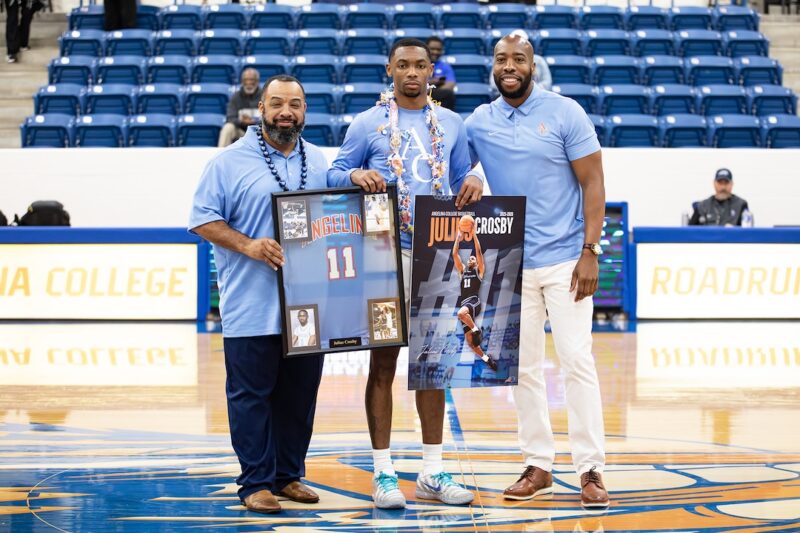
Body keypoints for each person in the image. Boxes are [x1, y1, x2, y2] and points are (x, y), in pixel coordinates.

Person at [327, 38, 483, 510]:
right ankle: (383, 472)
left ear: (432, 72)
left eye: (421, 65)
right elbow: (334, 172)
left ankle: (432, 472)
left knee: (434, 367)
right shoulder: (367, 123)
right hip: (382, 254)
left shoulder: (452, 124)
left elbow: (460, 181)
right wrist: (354, 176)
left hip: (437, 255)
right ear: (389, 70)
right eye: (403, 65)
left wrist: (475, 178)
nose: (412, 73)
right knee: (382, 363)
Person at [465, 31, 610, 509]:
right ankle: (539, 464)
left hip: (567, 259)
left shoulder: (565, 112)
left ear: (532, 65)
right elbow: (462, 168)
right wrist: (472, 174)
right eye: (502, 59)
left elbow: (593, 183)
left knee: (577, 363)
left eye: (519, 59)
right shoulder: (480, 121)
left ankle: (590, 469)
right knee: (523, 369)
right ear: (494, 66)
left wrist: (591, 249)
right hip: (511, 264)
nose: (510, 66)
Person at [189, 74, 329, 515]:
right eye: (277, 104)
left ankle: (288, 475)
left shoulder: (321, 161)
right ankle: (255, 482)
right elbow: (202, 220)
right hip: (251, 307)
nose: (286, 112)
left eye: (295, 104)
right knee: (251, 397)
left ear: (305, 111)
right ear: (261, 109)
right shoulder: (228, 162)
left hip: (308, 308)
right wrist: (249, 245)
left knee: (299, 397)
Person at [452, 230, 496, 371]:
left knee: (460, 313)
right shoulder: (463, 272)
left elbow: (478, 250)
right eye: (469, 258)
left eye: (473, 259)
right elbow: (454, 254)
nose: (471, 259)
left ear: (477, 263)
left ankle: (476, 330)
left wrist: (473, 233)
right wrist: (458, 239)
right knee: (471, 344)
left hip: (473, 302)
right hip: (465, 307)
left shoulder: (479, 271)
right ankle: (487, 359)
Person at [219, 68, 263, 147]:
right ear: (242, 81)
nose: (249, 82)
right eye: (246, 80)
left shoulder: (264, 96)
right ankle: (220, 155)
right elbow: (230, 118)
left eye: (252, 79)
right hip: (242, 133)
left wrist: (253, 121)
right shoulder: (236, 97)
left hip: (260, 133)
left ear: (257, 81)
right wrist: (242, 121)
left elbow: (269, 117)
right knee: (228, 127)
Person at [426, 36, 456, 111]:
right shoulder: (418, 64)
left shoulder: (446, 66)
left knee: (448, 94)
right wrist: (434, 82)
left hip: (440, 102)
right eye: (432, 49)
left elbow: (450, 85)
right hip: (420, 99)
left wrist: (429, 88)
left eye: (438, 49)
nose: (435, 52)